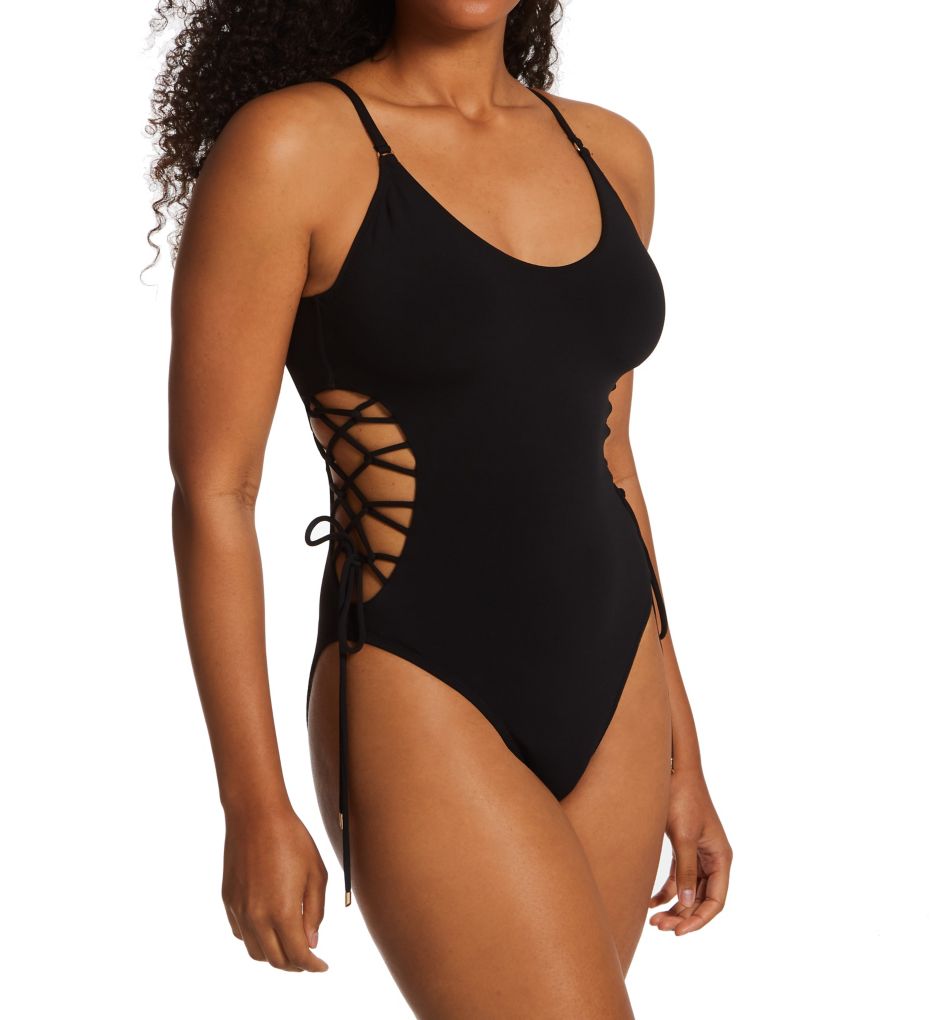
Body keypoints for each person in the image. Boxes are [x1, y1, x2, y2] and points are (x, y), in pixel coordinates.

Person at [154, 1, 732, 1015]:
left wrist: (684, 753)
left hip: (616, 683)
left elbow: (609, 456)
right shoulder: (292, 147)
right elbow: (215, 493)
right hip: (416, 678)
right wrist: (252, 802)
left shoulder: (611, 153)